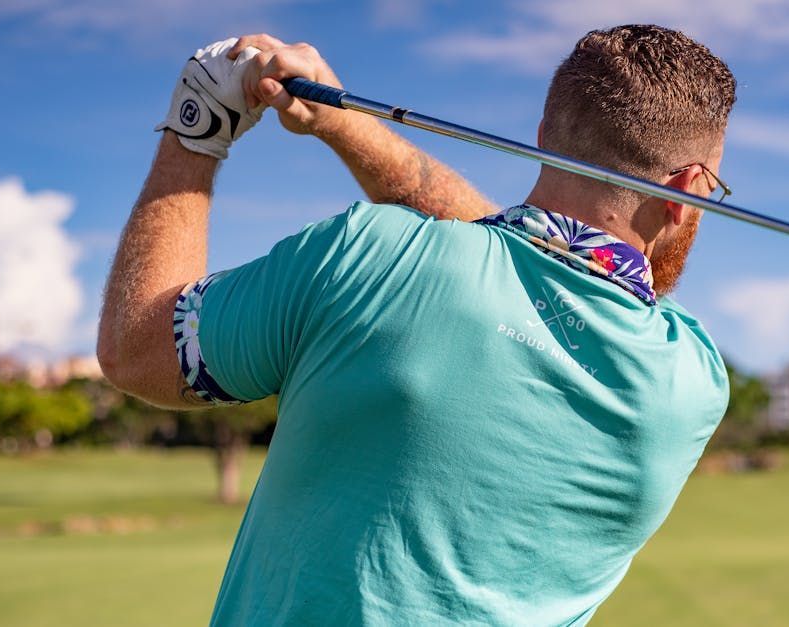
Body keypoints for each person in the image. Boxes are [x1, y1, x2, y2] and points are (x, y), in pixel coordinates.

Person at [98, 24, 736, 625]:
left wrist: (199, 124)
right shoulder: (691, 380)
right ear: (691, 189)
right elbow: (532, 257)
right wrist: (342, 123)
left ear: (544, 133)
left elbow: (136, 349)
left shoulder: (366, 253)